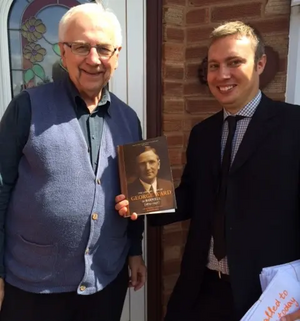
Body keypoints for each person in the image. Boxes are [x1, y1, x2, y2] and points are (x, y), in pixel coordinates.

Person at [115, 21, 300, 321]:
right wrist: (142, 205)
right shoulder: (203, 133)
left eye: (234, 62)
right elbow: (190, 197)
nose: (222, 75)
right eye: (214, 65)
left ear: (260, 64)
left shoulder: (294, 126)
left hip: (267, 298)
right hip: (200, 290)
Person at [0, 3, 145, 321]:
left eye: (104, 48)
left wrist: (135, 251)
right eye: (81, 47)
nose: (93, 59)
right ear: (63, 52)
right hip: (32, 286)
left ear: (117, 56)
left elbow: (137, 195)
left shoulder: (130, 120)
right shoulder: (26, 108)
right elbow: (1, 188)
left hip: (105, 282)